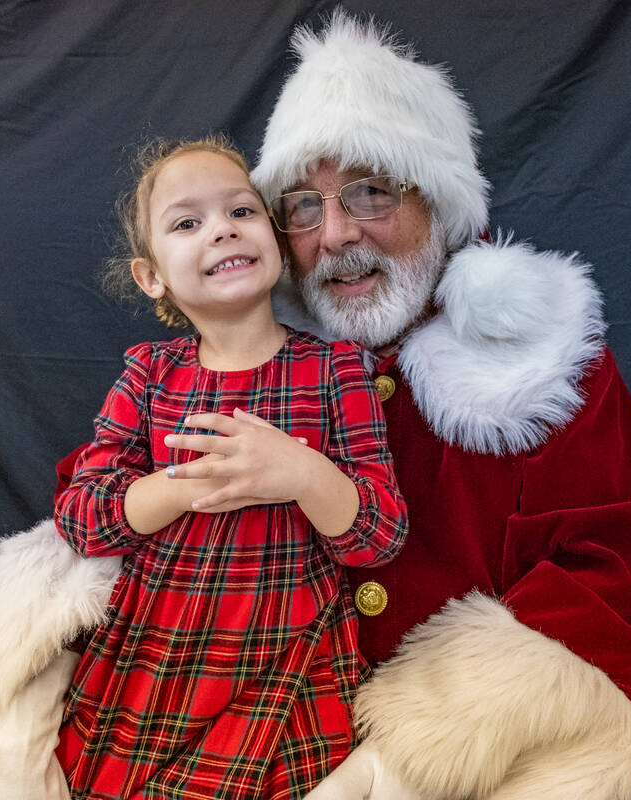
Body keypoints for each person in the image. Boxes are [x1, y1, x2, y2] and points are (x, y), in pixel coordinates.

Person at [0, 10, 631, 800]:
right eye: (304, 206)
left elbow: (614, 572)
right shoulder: (235, 350)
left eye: (370, 192)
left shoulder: (540, 366)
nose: (336, 234)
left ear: (440, 207)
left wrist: (422, 738)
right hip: (215, 693)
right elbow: (99, 493)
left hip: (421, 741)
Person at [54, 136, 407, 799]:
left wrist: (302, 473)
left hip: (288, 652)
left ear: (272, 239)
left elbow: (380, 534)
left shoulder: (335, 371)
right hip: (162, 654)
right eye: (188, 223)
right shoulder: (151, 376)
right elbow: (83, 516)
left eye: (240, 212)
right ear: (151, 275)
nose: (221, 230)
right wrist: (183, 482)